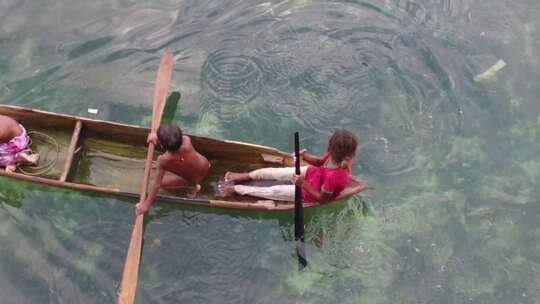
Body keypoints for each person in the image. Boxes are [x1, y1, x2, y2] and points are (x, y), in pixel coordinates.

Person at [219, 129, 367, 204]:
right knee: (273, 172)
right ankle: (247, 175)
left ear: (332, 146)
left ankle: (236, 189)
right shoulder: (334, 155)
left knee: (272, 191)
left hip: (307, 193)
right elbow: (321, 162)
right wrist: (306, 157)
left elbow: (322, 199)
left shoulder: (334, 178)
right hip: (311, 173)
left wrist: (303, 184)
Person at [135, 124, 210, 215]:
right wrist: (156, 136)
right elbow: (173, 141)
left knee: (154, 182)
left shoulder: (164, 160)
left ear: (162, 145)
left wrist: (146, 205)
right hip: (205, 166)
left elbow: (156, 184)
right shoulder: (187, 140)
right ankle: (196, 181)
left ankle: (193, 188)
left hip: (194, 180)